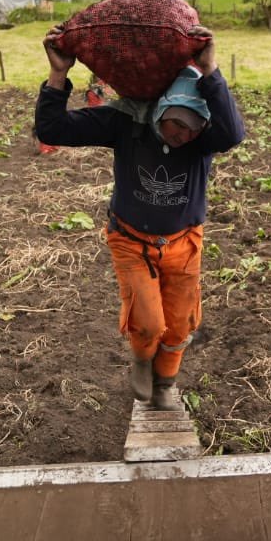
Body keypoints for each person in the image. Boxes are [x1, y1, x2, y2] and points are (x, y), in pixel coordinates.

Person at [35, 25, 245, 411]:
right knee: (148, 321)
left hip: (184, 243)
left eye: (192, 125)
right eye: (175, 123)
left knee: (180, 323)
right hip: (132, 241)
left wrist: (211, 69)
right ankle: (142, 359)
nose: (183, 133)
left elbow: (232, 133)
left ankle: (166, 380)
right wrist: (59, 73)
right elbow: (51, 128)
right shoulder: (126, 123)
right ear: (160, 111)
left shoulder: (203, 141)